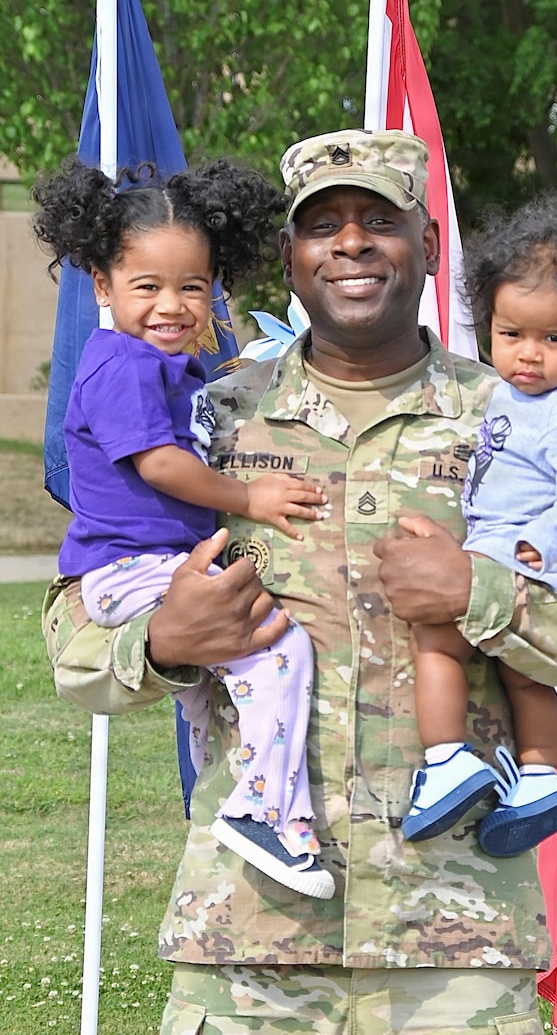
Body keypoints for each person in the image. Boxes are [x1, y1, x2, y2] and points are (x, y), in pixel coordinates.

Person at [42, 129, 557, 1035]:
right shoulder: (206, 418)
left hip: (456, 948)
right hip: (246, 947)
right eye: (322, 224)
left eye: (380, 220)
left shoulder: (519, 412)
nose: (350, 242)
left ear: (429, 244)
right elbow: (76, 628)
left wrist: (481, 595)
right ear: (290, 261)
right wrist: (163, 642)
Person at [33, 157, 334, 899]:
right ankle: (267, 810)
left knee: (208, 694)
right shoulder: (125, 367)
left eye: (192, 287)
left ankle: (228, 795)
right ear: (101, 286)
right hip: (130, 567)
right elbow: (163, 468)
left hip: (155, 563)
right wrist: (251, 498)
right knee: (276, 648)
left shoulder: (175, 370)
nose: (172, 305)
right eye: (147, 286)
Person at [400, 199, 557, 858]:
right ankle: (536, 778)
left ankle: (447, 761)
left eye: (553, 340)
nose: (529, 355)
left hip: (531, 547)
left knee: (437, 634)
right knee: (523, 673)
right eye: (512, 336)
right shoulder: (517, 392)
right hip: (515, 542)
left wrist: (543, 543)